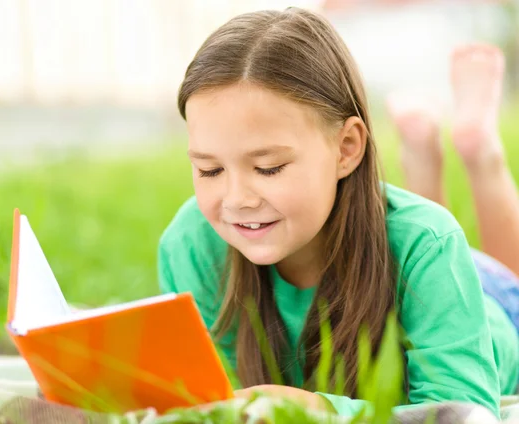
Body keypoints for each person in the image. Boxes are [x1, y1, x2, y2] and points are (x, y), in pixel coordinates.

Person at [157, 7, 519, 419]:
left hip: (493, 304)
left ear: (347, 147)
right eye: (210, 170)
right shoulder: (191, 243)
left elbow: (462, 411)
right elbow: (214, 400)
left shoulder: (429, 245)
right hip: (396, 242)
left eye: (268, 168)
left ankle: (479, 150)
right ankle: (422, 150)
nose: (237, 198)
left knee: (469, 253)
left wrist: (314, 409)